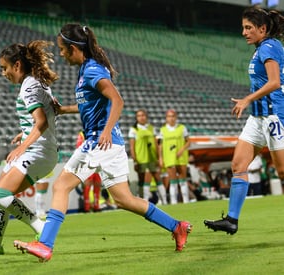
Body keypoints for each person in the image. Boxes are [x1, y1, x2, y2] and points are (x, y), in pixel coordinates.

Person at [13, 23, 192, 262]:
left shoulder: (92, 70)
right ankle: (176, 226)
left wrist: (106, 131)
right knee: (124, 199)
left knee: (60, 186)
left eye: (63, 50)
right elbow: (92, 104)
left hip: (100, 141)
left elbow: (117, 100)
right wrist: (65, 110)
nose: (62, 54)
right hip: (111, 144)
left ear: (75, 48)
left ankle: (45, 245)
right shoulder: (87, 69)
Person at [0, 40, 59, 257]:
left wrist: (23, 145)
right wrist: (25, 134)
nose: (3, 73)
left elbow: (42, 121)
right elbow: (50, 112)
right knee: (1, 191)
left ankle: (41, 227)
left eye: (4, 68)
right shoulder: (37, 82)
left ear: (17, 65)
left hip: (38, 151)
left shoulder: (28, 86)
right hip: (41, 148)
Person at [204, 7, 284, 235]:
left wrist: (247, 99)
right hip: (257, 118)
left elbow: (274, 82)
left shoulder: (270, 47)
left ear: (262, 29)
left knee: (282, 173)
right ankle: (231, 220)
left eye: (248, 28)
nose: (244, 32)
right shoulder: (261, 48)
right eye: (243, 27)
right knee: (238, 165)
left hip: (274, 116)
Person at [128, 109, 167, 204]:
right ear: (136, 118)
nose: (141, 117)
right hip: (141, 159)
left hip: (152, 158)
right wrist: (135, 160)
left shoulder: (151, 128)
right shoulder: (134, 130)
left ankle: (165, 201)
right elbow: (132, 147)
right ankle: (144, 203)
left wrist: (159, 158)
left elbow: (156, 144)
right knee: (143, 181)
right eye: (139, 116)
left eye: (143, 115)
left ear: (146, 116)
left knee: (158, 179)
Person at [158, 109, 191, 204]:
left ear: (176, 117)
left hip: (181, 157)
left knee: (183, 179)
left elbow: (188, 141)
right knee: (172, 181)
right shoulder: (163, 130)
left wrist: (182, 149)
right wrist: (160, 157)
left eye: (173, 116)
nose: (171, 118)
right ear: (166, 118)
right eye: (169, 116)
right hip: (169, 158)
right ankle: (173, 201)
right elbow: (160, 145)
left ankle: (186, 200)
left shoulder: (182, 128)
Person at [76, 130, 102, 212]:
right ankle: (87, 207)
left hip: (97, 163)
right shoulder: (82, 134)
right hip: (87, 164)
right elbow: (80, 148)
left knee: (97, 185)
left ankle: (96, 206)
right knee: (87, 185)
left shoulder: (99, 132)